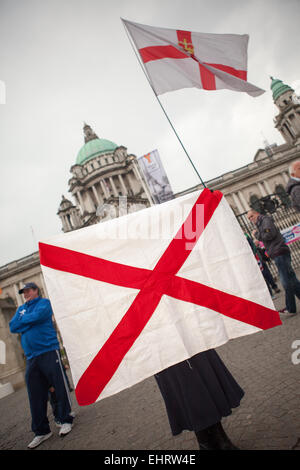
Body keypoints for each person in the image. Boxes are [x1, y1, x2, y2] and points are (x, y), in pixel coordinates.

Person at [9, 282, 74, 449]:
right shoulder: (20, 309)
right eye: (23, 292)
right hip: (31, 357)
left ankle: (66, 419)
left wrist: (24, 321)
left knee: (59, 388)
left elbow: (38, 317)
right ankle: (41, 430)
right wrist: (26, 320)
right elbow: (12, 326)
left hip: (48, 351)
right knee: (35, 395)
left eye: (28, 291)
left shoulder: (44, 303)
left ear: (36, 290)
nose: (25, 294)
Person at [155, 349, 243, 450]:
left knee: (204, 376)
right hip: (161, 350)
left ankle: (221, 440)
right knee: (185, 389)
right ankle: (206, 443)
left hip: (190, 342)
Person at [247, 209, 300, 314]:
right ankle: (291, 308)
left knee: (285, 281)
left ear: (257, 213)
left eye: (251, 216)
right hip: (277, 252)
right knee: (292, 279)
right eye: (249, 218)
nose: (250, 219)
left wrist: (257, 235)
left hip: (279, 252)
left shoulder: (265, 220)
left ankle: (290, 308)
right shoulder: (262, 223)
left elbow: (269, 235)